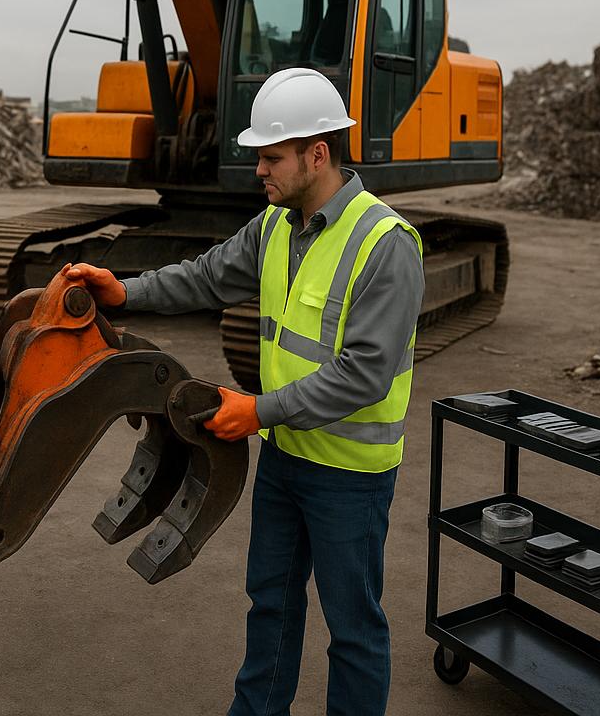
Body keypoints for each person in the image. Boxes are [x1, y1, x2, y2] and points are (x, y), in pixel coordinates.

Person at [67, 67, 424, 716]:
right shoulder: (275, 226)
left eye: (271, 157)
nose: (259, 170)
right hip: (286, 460)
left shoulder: (384, 244)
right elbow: (207, 278)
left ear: (318, 153)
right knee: (272, 607)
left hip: (349, 474)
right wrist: (126, 291)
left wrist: (256, 411)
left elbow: (365, 373)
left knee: (353, 630)